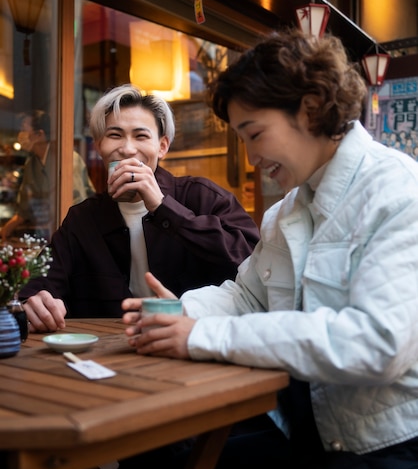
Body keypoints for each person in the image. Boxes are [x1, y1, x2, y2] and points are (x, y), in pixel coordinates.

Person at [119, 28, 418, 469]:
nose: (252, 157)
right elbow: (245, 296)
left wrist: (201, 335)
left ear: (310, 107)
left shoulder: (397, 192)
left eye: (254, 134)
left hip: (391, 455)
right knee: (151, 467)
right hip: (312, 433)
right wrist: (182, 312)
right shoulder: (286, 212)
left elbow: (378, 342)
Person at [18, 84, 259, 331]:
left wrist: (163, 207)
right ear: (99, 145)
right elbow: (41, 281)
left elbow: (252, 263)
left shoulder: (201, 197)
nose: (128, 149)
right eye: (115, 135)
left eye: (141, 136)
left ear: (162, 146)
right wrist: (34, 301)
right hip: (109, 355)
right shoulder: (83, 219)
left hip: (195, 345)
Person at [0, 109, 95, 242]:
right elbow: (25, 206)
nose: (20, 134)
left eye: (24, 129)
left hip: (75, 232)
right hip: (49, 232)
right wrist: (7, 228)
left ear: (40, 134)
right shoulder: (31, 164)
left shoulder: (67, 158)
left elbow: (75, 202)